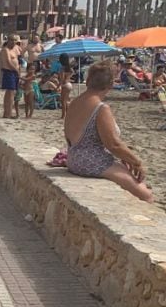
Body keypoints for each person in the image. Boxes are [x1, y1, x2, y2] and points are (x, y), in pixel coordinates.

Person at [64, 60, 153, 202]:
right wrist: (137, 162)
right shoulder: (101, 108)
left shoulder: (76, 102)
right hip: (90, 161)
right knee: (146, 195)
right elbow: (113, 145)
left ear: (88, 81)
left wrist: (126, 158)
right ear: (111, 84)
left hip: (73, 158)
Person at [0, 34, 22, 119]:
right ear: (8, 40)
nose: (13, 42)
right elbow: (8, 61)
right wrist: (16, 70)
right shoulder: (5, 50)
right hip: (9, 71)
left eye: (15, 40)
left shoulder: (15, 49)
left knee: (12, 93)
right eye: (12, 40)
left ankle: (8, 112)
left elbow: (18, 60)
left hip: (15, 72)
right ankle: (7, 113)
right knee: (10, 92)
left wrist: (19, 70)